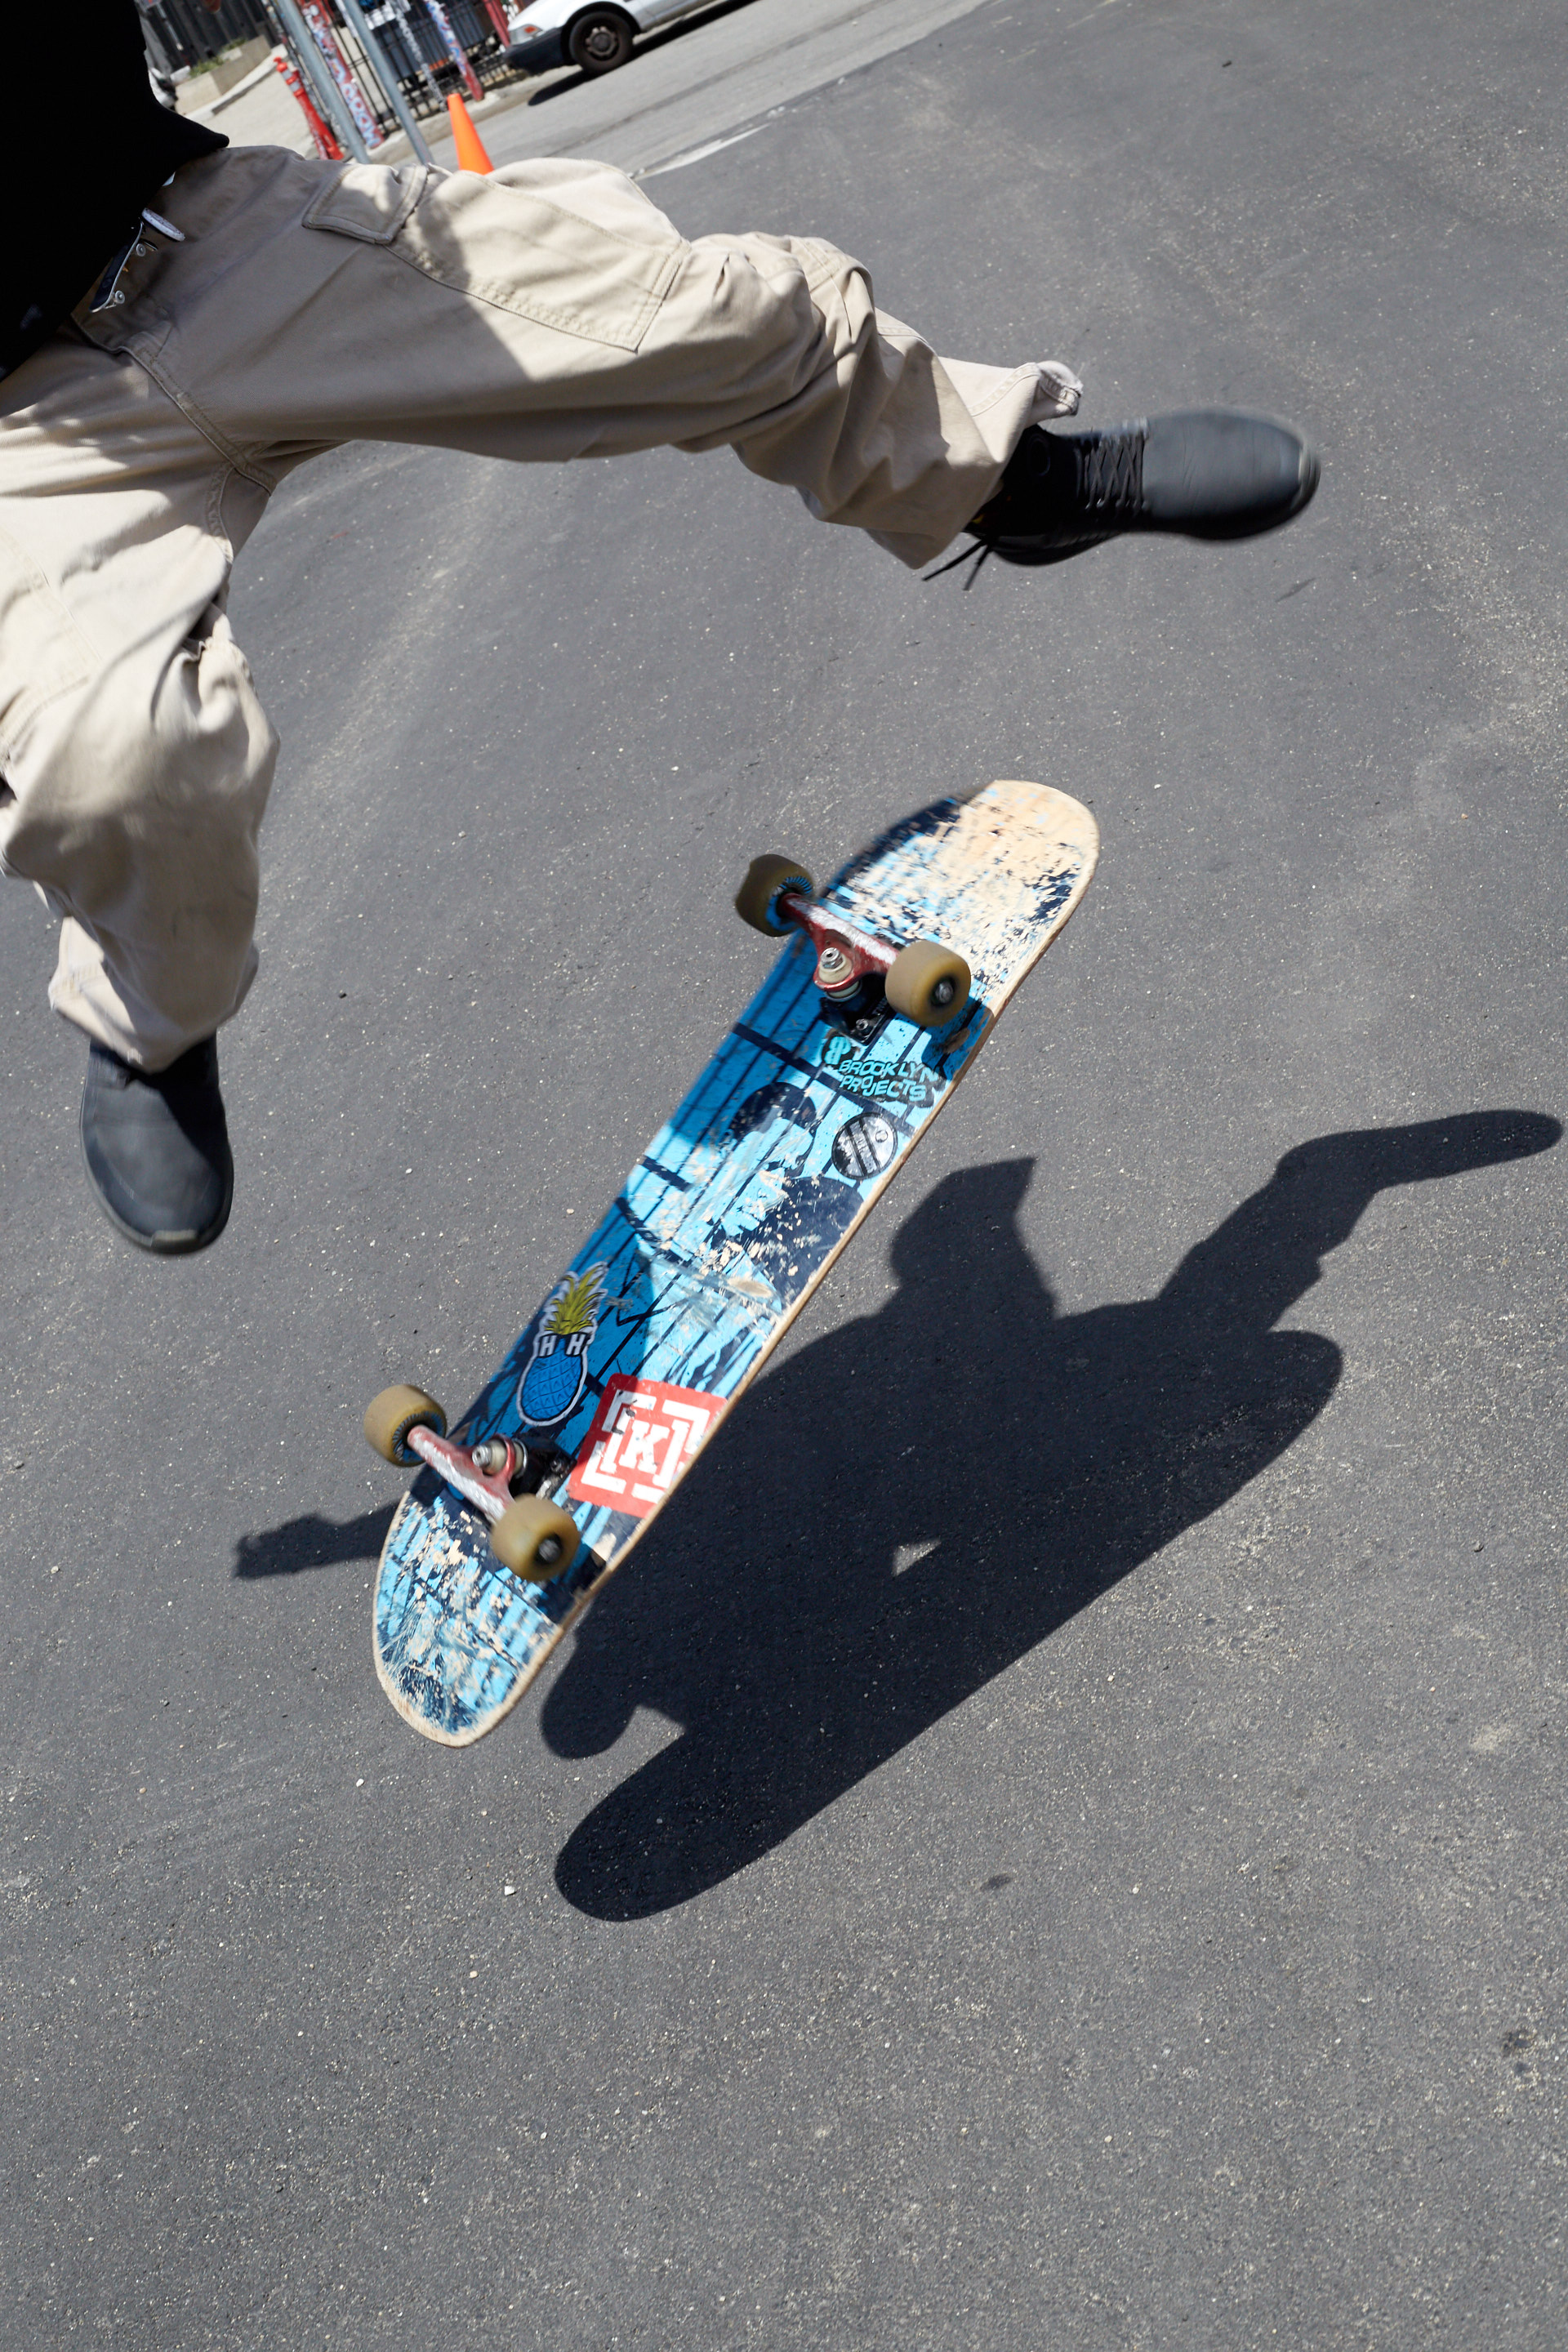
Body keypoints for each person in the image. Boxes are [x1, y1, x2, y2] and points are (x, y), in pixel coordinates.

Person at [1, 0, 1317, 1256]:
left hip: (204, 236)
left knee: (700, 314)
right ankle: (152, 1028)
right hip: (28, 430)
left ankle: (1011, 479)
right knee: (108, 755)